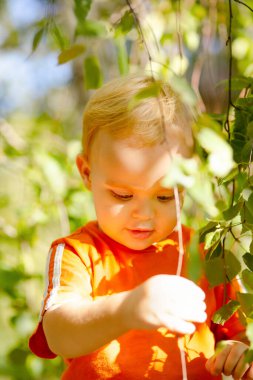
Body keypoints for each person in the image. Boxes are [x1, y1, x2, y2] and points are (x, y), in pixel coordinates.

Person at [29, 74, 253, 379]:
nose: (144, 215)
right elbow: (58, 332)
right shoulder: (78, 253)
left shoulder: (203, 254)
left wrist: (236, 353)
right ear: (86, 173)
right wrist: (126, 309)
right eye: (122, 195)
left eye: (164, 196)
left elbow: (240, 336)